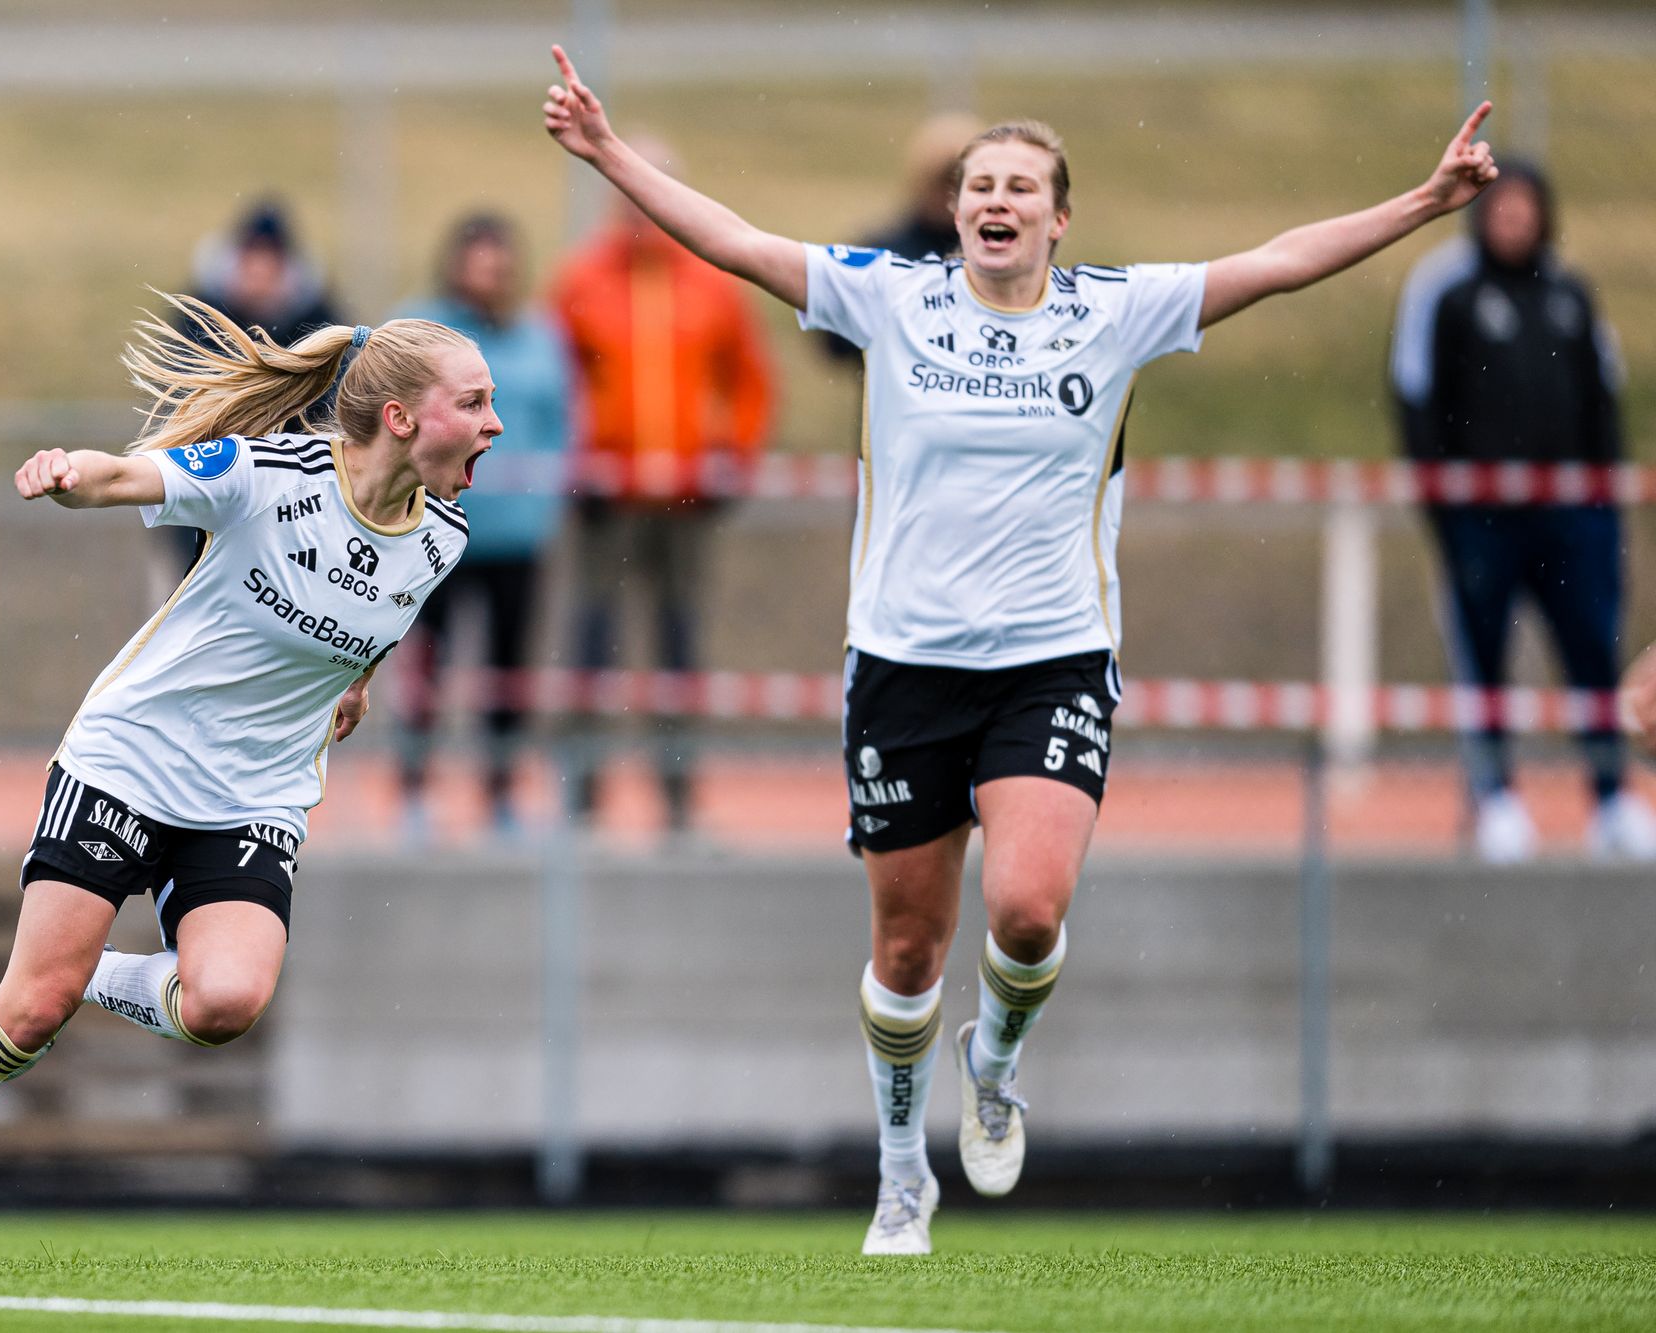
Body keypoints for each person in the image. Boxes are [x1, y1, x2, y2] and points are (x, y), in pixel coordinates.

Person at [545, 45, 1500, 1253]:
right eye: (975, 185)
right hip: (900, 664)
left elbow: (1275, 262)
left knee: (1031, 910)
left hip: (1051, 657)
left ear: (1057, 216)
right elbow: (735, 242)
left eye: (1016, 186)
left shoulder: (1116, 310)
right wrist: (607, 150)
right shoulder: (890, 297)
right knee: (905, 943)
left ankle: (990, 1067)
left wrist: (1421, 203)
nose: (993, 200)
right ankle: (901, 1169)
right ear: (953, 211)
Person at [0, 301, 496, 1266]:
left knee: (225, 1004)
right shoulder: (268, 477)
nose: (494, 424)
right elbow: (133, 474)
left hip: (253, 796)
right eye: (476, 402)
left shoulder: (444, 540)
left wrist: (355, 686)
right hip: (131, 759)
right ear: (404, 417)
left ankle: (94, 979)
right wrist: (68, 474)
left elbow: (366, 620)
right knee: (29, 1009)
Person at [1390, 163, 1656, 864]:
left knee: (1592, 652)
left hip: (1573, 520)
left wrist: (1604, 498)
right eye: (1501, 208)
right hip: (1482, 520)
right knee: (1484, 661)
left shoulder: (1571, 294)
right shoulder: (1450, 295)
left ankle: (1611, 797)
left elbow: (1604, 403)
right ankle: (1497, 798)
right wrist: (1444, 504)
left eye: (1525, 207)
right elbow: (1419, 404)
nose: (1513, 220)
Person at [548, 139, 776, 831]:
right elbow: (549, 382)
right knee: (592, 644)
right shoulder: (580, 280)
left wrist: (728, 455)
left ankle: (677, 798)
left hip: (684, 501)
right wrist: (576, 459)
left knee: (679, 646)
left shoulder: (712, 281)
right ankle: (580, 799)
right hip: (606, 501)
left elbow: (751, 382)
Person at [393, 214, 574, 838]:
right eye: (478, 259)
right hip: (430, 533)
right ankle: (414, 792)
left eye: (500, 261)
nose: (489, 273)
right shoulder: (421, 331)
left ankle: (500, 795)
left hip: (514, 539)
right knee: (423, 665)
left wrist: (545, 499)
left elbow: (562, 424)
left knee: (508, 673)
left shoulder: (541, 336)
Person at [154, 201, 353, 585]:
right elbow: (182, 394)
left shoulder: (321, 320)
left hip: (293, 493)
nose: (260, 275)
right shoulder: (199, 316)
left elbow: (334, 405)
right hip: (206, 482)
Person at [817, 112, 986, 365]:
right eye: (944, 181)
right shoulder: (882, 251)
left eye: (966, 184)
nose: (953, 195)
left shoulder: (999, 254)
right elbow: (836, 342)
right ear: (922, 182)